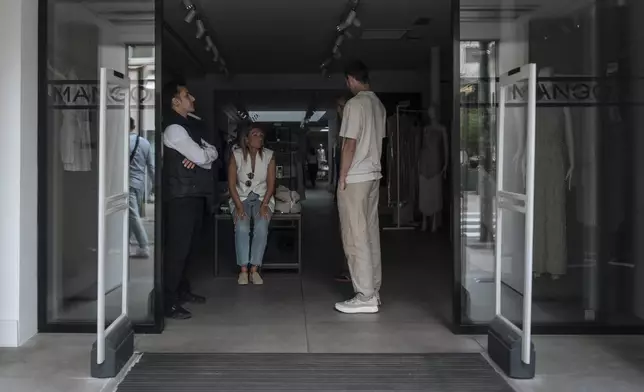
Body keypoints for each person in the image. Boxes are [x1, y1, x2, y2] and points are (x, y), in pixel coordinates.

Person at [162, 81, 219, 320]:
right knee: (178, 250)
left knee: (190, 248)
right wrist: (201, 157)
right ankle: (167, 302)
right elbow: (201, 155)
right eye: (186, 95)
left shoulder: (190, 127)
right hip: (181, 197)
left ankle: (181, 291)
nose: (192, 98)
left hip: (192, 195)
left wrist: (202, 156)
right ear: (175, 101)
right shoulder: (175, 129)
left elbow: (212, 152)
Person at [335, 60, 386, 314]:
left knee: (355, 235)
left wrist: (342, 176)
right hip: (373, 175)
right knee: (370, 234)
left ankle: (364, 295)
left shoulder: (355, 104)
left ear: (351, 79)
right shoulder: (378, 105)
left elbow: (350, 144)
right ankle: (373, 290)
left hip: (356, 177)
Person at [228, 124, 276, 285]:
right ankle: (243, 270)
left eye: (261, 135)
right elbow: (232, 184)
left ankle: (254, 269)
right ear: (246, 139)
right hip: (240, 197)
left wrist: (265, 204)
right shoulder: (236, 155)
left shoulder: (269, 155)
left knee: (261, 226)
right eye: (255, 135)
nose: (259, 137)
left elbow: (271, 184)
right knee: (241, 226)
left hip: (263, 197)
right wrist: (239, 207)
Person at [129, 117, 154, 258]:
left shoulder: (123, 142)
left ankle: (144, 246)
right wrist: (155, 184)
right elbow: (151, 166)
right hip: (140, 184)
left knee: (133, 215)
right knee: (131, 215)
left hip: (127, 183)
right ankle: (125, 244)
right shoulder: (145, 143)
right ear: (134, 126)